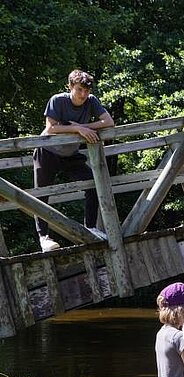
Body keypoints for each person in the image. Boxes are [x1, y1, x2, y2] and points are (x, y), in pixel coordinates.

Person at [33, 69, 115, 252]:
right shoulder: (58, 100)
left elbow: (108, 122)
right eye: (79, 90)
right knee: (42, 194)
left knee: (93, 186)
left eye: (86, 91)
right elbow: (51, 128)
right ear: (70, 86)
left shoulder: (91, 101)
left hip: (70, 154)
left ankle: (91, 229)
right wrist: (77, 130)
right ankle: (44, 238)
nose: (83, 95)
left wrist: (81, 126)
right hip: (47, 152)